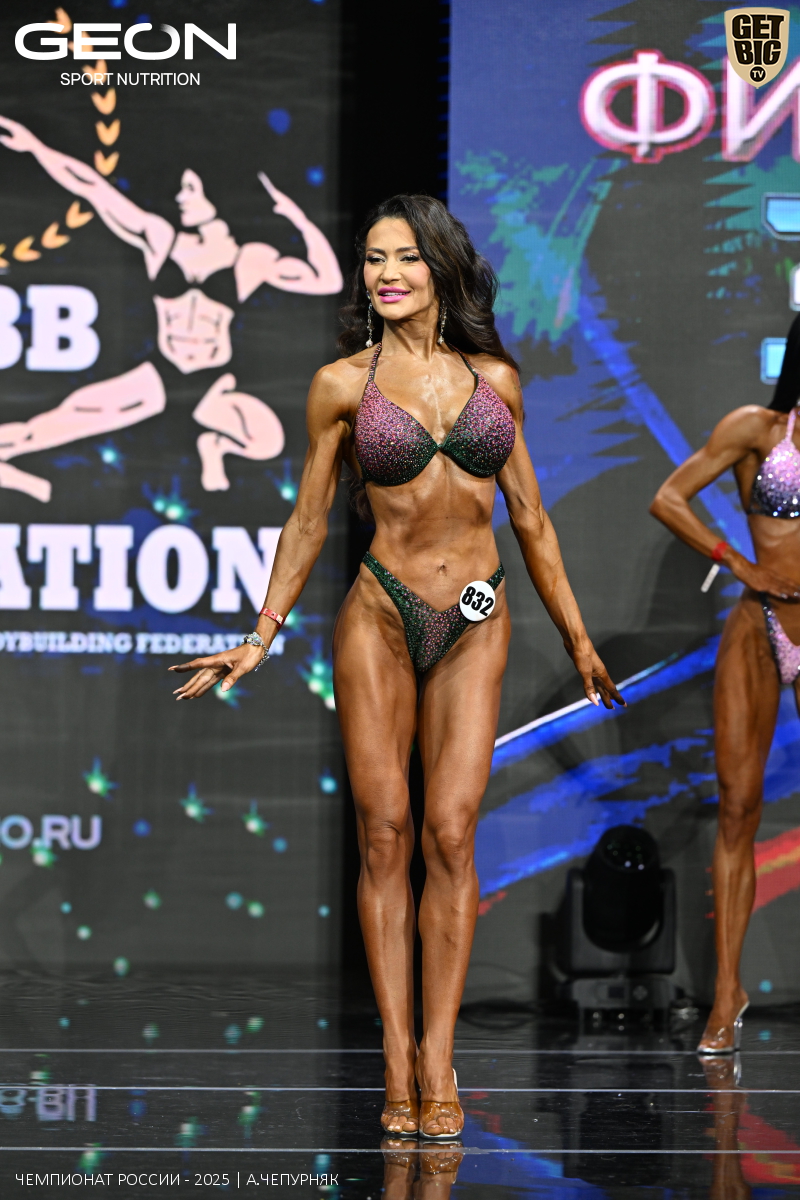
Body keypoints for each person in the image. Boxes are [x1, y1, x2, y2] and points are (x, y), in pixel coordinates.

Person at [168, 195, 624, 1138]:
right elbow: (308, 518)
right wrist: (262, 634)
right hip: (380, 614)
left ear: (440, 266)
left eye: (405, 257)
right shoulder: (343, 385)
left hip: (476, 616)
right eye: (373, 259)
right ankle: (394, 1055)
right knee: (385, 834)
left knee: (450, 835)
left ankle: (438, 1056)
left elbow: (532, 519)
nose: (386, 274)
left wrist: (579, 640)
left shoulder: (496, 380)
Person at [0, 114, 342, 502]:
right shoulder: (161, 239)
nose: (180, 197)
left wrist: (298, 219)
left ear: (216, 192)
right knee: (58, 421)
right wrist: (36, 148)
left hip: (212, 384)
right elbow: (93, 188)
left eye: (190, 189)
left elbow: (326, 279)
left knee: (266, 440)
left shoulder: (248, 258)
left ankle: (215, 447)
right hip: (161, 374)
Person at [650, 315, 800, 1054]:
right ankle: (726, 993)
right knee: (738, 806)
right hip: (759, 625)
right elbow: (669, 498)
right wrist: (738, 564)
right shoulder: (759, 429)